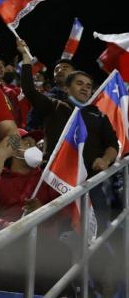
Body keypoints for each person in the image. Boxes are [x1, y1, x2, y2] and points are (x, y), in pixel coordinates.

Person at [17, 37, 118, 230]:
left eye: (88, 86)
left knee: (97, 230)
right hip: (54, 180)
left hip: (90, 182)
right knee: (53, 231)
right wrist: (26, 58)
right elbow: (29, 90)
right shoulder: (54, 106)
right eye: (80, 84)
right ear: (66, 88)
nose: (85, 88)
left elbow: (112, 145)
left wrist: (105, 160)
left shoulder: (98, 115)